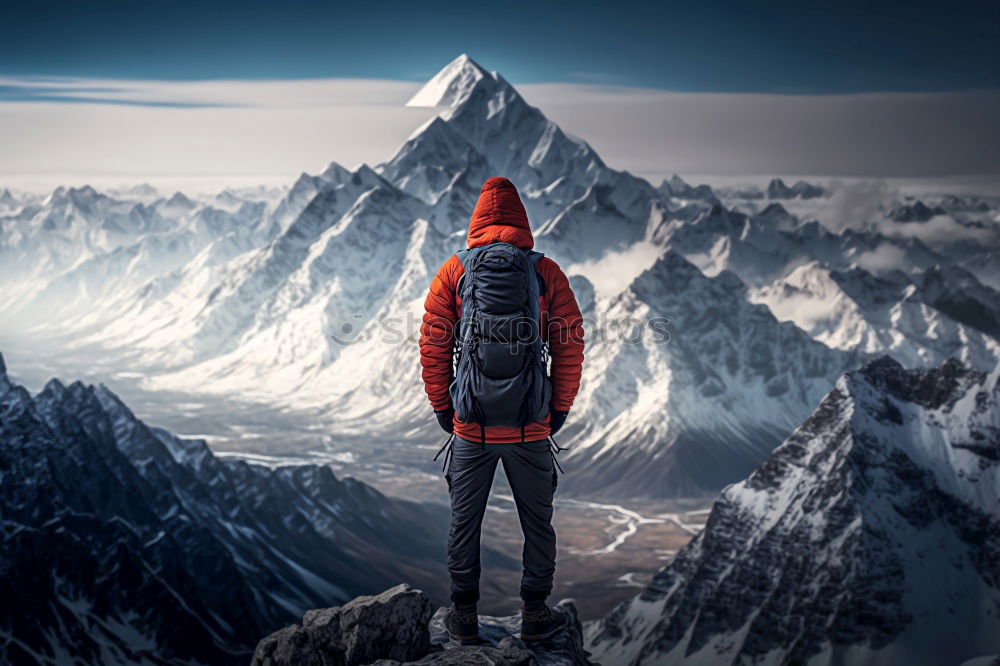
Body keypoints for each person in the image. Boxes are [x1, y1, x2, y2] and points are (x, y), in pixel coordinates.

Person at [418, 176, 585, 644]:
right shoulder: (545, 272)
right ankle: (534, 615)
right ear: (522, 222)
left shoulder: (453, 272)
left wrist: (442, 407)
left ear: (476, 222)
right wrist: (559, 409)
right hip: (531, 426)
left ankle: (464, 617)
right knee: (537, 522)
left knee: (464, 521)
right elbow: (569, 344)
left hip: (470, 426)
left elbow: (433, 346)